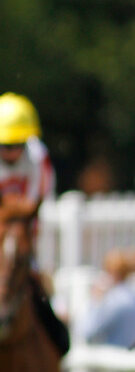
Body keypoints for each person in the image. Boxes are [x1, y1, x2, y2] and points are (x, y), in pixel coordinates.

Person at [0, 92, 69, 356]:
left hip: (24, 233)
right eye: (5, 145)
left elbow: (34, 204)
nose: (12, 151)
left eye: (18, 143)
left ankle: (58, 341)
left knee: (37, 286)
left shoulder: (38, 158)